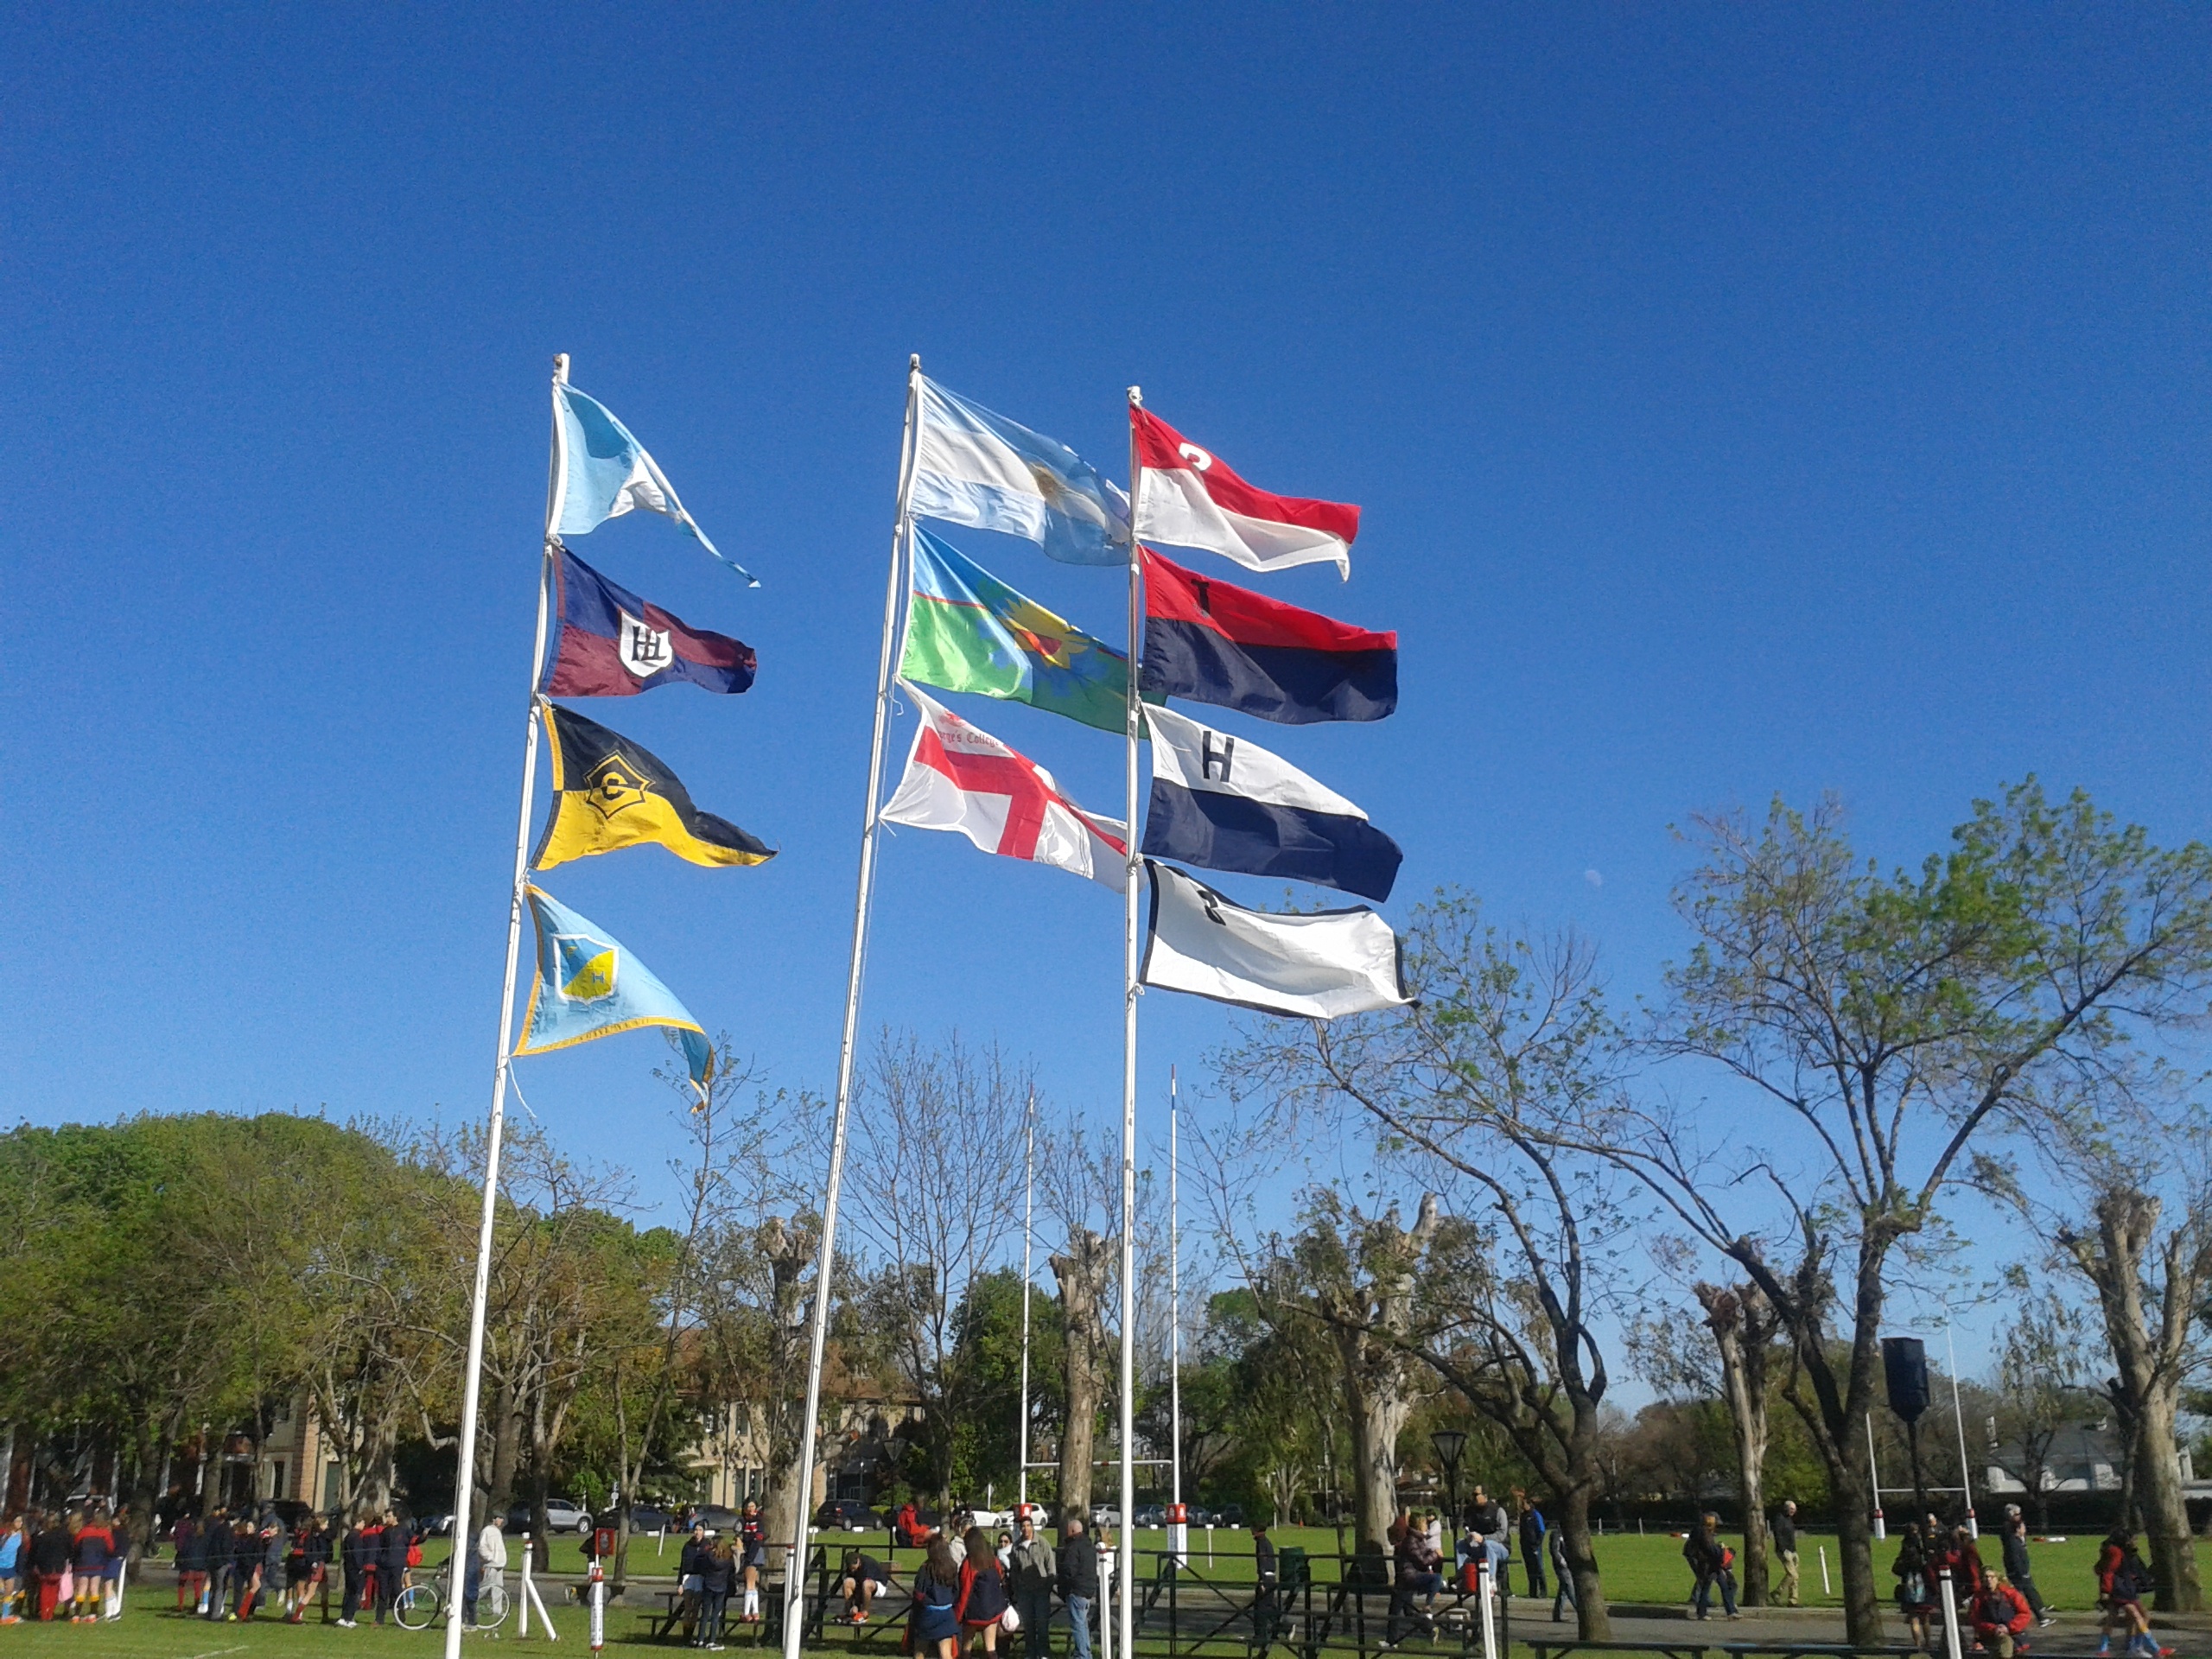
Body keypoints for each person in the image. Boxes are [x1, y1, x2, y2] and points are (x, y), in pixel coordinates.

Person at [2095, 1526, 2170, 1659]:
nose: (2135, 1541)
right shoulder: (2117, 1553)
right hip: (2122, 1590)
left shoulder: (2115, 1551)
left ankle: (2105, 1649)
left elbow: (2103, 1569)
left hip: (2120, 1589)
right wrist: (2105, 1591)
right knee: (2139, 1615)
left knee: (2113, 1619)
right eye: (2133, 1539)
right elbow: (2110, 1572)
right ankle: (2152, 1648)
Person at [1006, 1511, 1055, 1655]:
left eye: (1028, 1525)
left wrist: (1047, 1586)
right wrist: (1016, 1589)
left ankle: (1044, 1653)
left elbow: (1051, 1566)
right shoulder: (1016, 1547)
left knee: (1042, 1625)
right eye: (1023, 1526)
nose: (1026, 1528)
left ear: (1032, 1527)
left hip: (1041, 1592)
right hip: (1024, 1593)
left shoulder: (1042, 1543)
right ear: (1020, 1528)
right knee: (1029, 1626)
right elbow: (1014, 1571)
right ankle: (1030, 1653)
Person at [957, 1523, 1010, 1655]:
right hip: (991, 1610)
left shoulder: (970, 1563)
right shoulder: (992, 1559)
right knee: (990, 1647)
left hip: (973, 1612)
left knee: (966, 1646)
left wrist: (957, 1615)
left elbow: (965, 1591)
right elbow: (1000, 1577)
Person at [2000, 1505, 2056, 1628]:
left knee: (2026, 1590)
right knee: (2024, 1592)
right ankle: (2040, 1616)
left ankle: (2040, 1609)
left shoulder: (2015, 1535)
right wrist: (2021, 1571)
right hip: (2017, 1570)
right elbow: (2014, 1555)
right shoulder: (2010, 1534)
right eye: (2016, 1514)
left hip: (2019, 1569)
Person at [912, 1535, 964, 1659]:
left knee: (920, 1651)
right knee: (946, 1654)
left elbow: (919, 1594)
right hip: (947, 1613)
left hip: (928, 1614)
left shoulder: (926, 1568)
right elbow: (957, 1591)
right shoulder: (952, 1567)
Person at [1683, 1513, 1738, 1620]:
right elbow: (1709, 1548)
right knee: (1709, 1586)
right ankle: (1708, 1612)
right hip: (1709, 1563)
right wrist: (1722, 1552)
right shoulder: (1704, 1533)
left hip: (1711, 1563)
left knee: (1720, 1586)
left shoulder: (1702, 1532)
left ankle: (1730, 1611)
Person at [1058, 1516, 1097, 1659]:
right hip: (1088, 1589)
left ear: (1072, 1531)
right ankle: (1086, 1652)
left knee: (1078, 1625)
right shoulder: (1089, 1547)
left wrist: (1065, 1586)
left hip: (1076, 1590)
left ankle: (1082, 1655)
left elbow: (1068, 1570)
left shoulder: (1073, 1548)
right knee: (1083, 1623)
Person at [1894, 1522, 1937, 1653]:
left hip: (1909, 1584)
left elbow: (1897, 1568)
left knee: (1914, 1617)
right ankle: (1928, 1643)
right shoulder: (1921, 1550)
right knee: (1925, 1617)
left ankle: (1917, 1644)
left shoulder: (1905, 1549)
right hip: (1923, 1584)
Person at [1971, 1573, 2036, 1659]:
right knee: (2004, 1642)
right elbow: (1975, 1619)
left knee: (2005, 1642)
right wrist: (1993, 1628)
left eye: (1992, 1577)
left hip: (2015, 1634)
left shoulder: (2011, 1594)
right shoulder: (1979, 1597)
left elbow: (2025, 1613)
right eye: (1986, 1577)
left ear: (1998, 1579)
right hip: (1989, 1635)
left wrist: (2008, 1627)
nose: (1988, 1580)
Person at [72, 1506, 113, 1623]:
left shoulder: (84, 1531)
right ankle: (93, 1614)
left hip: (83, 1564)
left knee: (82, 1589)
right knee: (94, 1589)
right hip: (98, 1564)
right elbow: (110, 1548)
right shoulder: (105, 1532)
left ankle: (76, 1615)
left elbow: (76, 1546)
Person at [29, 1510, 70, 1621]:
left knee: (44, 1590)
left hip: (45, 1567)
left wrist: (36, 1565)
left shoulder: (41, 1537)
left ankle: (44, 1614)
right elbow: (68, 1552)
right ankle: (50, 1613)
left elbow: (37, 1554)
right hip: (58, 1566)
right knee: (54, 1591)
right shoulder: (63, 1536)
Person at [466, 1513, 506, 1626]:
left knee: (498, 1587)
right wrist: (490, 1558)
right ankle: (471, 1606)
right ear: (494, 1519)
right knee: (484, 1587)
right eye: (499, 1519)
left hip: (499, 1564)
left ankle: (497, 1610)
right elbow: (482, 1546)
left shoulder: (497, 1531)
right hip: (491, 1564)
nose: (501, 1521)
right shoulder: (487, 1530)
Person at [697, 1535, 734, 1650]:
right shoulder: (728, 1559)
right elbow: (732, 1572)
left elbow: (702, 1567)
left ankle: (700, 1639)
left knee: (705, 1614)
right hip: (721, 1587)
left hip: (709, 1585)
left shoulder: (709, 1557)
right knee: (715, 1615)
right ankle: (712, 1639)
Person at [843, 1545, 897, 1625]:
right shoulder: (851, 1567)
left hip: (878, 1585)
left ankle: (864, 1613)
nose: (852, 1571)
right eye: (851, 1569)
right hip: (860, 1584)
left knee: (866, 1584)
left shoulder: (867, 1565)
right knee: (847, 1581)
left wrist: (857, 1605)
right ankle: (849, 1612)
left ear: (858, 1561)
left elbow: (862, 1586)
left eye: (854, 1568)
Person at [375, 1510, 410, 1626]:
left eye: (389, 1516)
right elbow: (380, 1547)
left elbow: (414, 1539)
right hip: (384, 1566)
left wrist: (424, 1535)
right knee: (382, 1592)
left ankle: (401, 1618)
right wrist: (379, 1560)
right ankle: (379, 1619)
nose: (387, 1518)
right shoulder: (385, 1531)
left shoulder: (404, 1530)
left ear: (395, 1517)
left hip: (397, 1565)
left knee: (396, 1590)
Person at [339, 1513, 374, 1627]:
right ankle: (349, 1617)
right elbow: (357, 1554)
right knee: (355, 1593)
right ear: (358, 1523)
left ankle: (343, 1617)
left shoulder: (348, 1536)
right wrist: (360, 1568)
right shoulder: (357, 1537)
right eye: (363, 1523)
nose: (364, 1525)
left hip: (348, 1567)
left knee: (348, 1592)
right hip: (356, 1569)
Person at [677, 1520, 709, 1642]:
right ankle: (686, 1636)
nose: (697, 1533)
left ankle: (691, 1634)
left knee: (696, 1608)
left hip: (700, 1577)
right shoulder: (688, 1546)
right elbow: (683, 1565)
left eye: (700, 1530)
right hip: (688, 1577)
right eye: (696, 1530)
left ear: (704, 1532)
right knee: (688, 1607)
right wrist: (680, 1583)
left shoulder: (707, 1545)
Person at [1252, 1517, 1280, 1643]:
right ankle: (1280, 1627)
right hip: (1271, 1577)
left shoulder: (1261, 1543)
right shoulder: (1266, 1542)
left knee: (1261, 1607)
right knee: (1268, 1606)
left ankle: (1260, 1636)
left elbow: (1262, 1560)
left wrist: (1262, 1580)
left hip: (1266, 1578)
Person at [1516, 1493, 1548, 1600]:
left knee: (1539, 1568)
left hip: (1535, 1546)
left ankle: (1543, 1591)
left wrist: (1537, 1544)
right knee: (1530, 1569)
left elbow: (1542, 1531)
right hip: (1525, 1546)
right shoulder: (1523, 1516)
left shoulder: (1535, 1515)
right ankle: (1532, 1591)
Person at [740, 1501, 766, 1622]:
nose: (750, 1509)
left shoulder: (758, 1521)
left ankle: (746, 1612)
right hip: (752, 1552)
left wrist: (750, 1556)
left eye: (752, 1506)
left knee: (750, 1583)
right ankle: (755, 1612)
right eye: (748, 1506)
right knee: (752, 1584)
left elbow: (757, 1539)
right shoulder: (744, 1521)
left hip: (753, 1552)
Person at [1772, 1501, 1800, 1608]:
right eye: (1791, 1509)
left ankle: (1793, 1600)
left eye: (1794, 1509)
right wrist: (1783, 1550)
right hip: (1784, 1551)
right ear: (1786, 1508)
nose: (1793, 1511)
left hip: (1793, 1551)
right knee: (1792, 1575)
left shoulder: (1789, 1519)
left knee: (1795, 1578)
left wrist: (1795, 1551)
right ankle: (1777, 1593)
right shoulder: (1780, 1519)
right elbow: (1778, 1535)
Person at [1548, 1522, 1575, 1624]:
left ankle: (1557, 1614)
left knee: (1563, 1590)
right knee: (1569, 1587)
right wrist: (1562, 1561)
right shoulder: (1557, 1534)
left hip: (1568, 1564)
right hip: (1561, 1566)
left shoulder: (1567, 1534)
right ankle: (1580, 1610)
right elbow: (1555, 1550)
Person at [0, 1511, 22, 1624]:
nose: (20, 1523)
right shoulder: (4, 1533)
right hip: (0, 1565)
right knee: (1, 1590)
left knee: (8, 1591)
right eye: (17, 1521)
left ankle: (5, 1615)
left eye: (21, 1521)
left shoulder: (21, 1535)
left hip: (11, 1567)